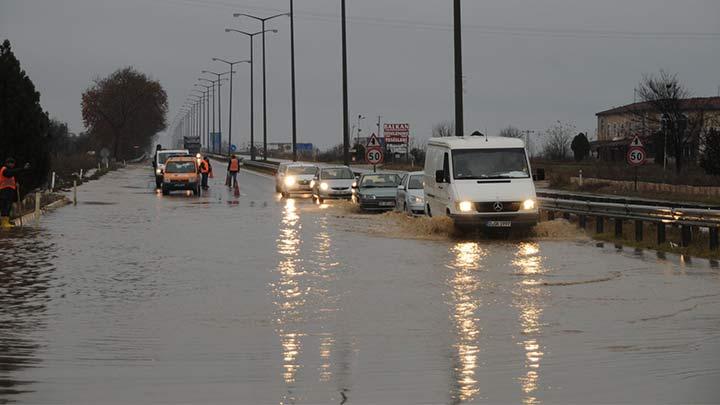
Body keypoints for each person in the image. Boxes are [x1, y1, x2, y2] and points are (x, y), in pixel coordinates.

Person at [0, 158, 29, 229]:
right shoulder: (5, 170)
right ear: (7, 163)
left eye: (13, 163)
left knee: (8, 206)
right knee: (5, 206)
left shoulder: (9, 171)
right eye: (11, 163)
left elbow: (12, 175)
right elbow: (10, 173)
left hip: (9, 191)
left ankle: (6, 221)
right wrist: (23, 168)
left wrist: (16, 183)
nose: (13, 165)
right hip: (5, 190)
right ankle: (4, 223)